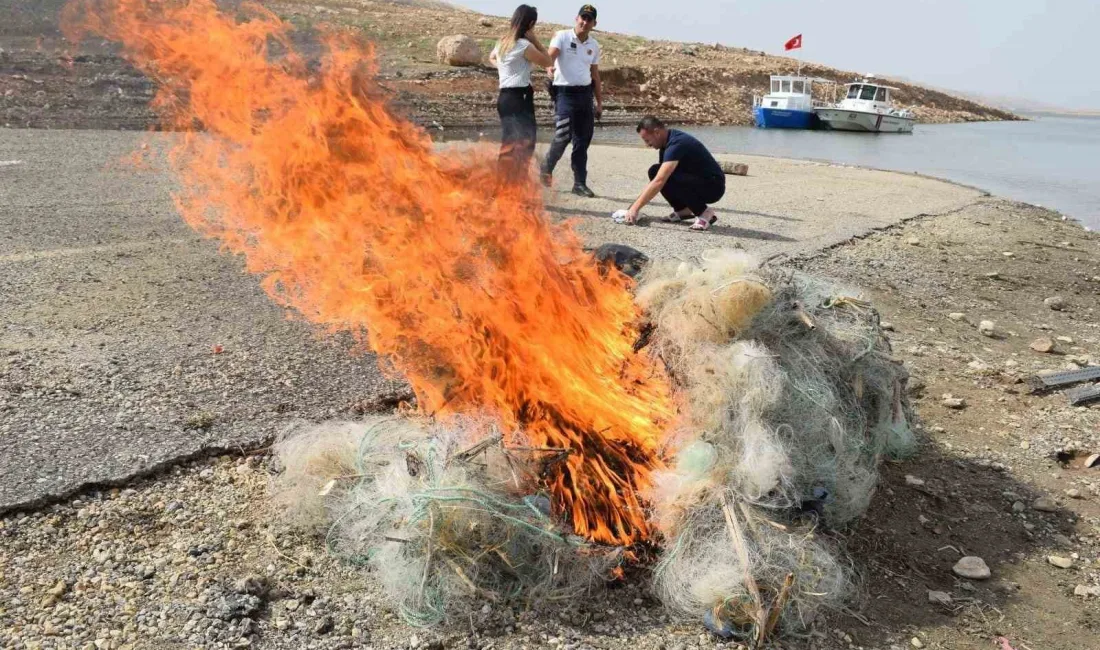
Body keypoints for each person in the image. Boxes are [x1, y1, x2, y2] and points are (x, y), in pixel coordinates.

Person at [540, 4, 603, 198]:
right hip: (564, 94)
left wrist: (599, 102)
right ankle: (545, 169)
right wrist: (549, 68)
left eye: (589, 19)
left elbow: (595, 75)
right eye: (582, 18)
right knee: (563, 135)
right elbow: (549, 58)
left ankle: (579, 183)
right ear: (576, 18)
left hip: (585, 95)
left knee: (582, 141)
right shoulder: (563, 36)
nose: (585, 22)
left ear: (594, 23)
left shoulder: (593, 45)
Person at [621, 116, 726, 231]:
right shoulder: (665, 144)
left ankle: (705, 212)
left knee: (665, 176)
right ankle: (683, 210)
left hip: (713, 186)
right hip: (698, 180)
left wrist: (634, 208)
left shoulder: (677, 143)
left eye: (647, 140)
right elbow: (659, 178)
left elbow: (659, 181)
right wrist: (632, 207)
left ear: (656, 133)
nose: (647, 144)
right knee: (655, 171)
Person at [488, 5, 552, 180]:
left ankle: (501, 186)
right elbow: (548, 61)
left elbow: (491, 57)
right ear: (531, 24)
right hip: (520, 98)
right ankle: (517, 185)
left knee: (509, 143)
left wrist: (503, 69)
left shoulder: (502, 42)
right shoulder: (524, 45)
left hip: (504, 97)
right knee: (526, 143)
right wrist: (536, 40)